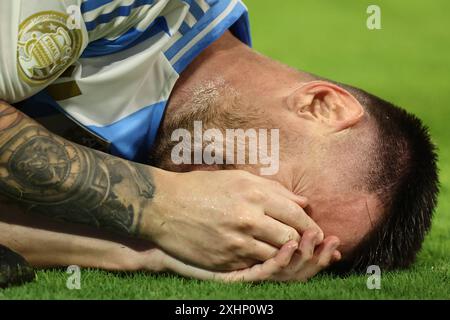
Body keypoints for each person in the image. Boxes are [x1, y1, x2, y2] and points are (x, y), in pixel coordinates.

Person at [0, 0, 439, 284]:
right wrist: (162, 205)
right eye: (285, 203)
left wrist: (151, 251)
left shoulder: (137, 148)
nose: (243, 216)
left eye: (272, 234)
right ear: (321, 105)